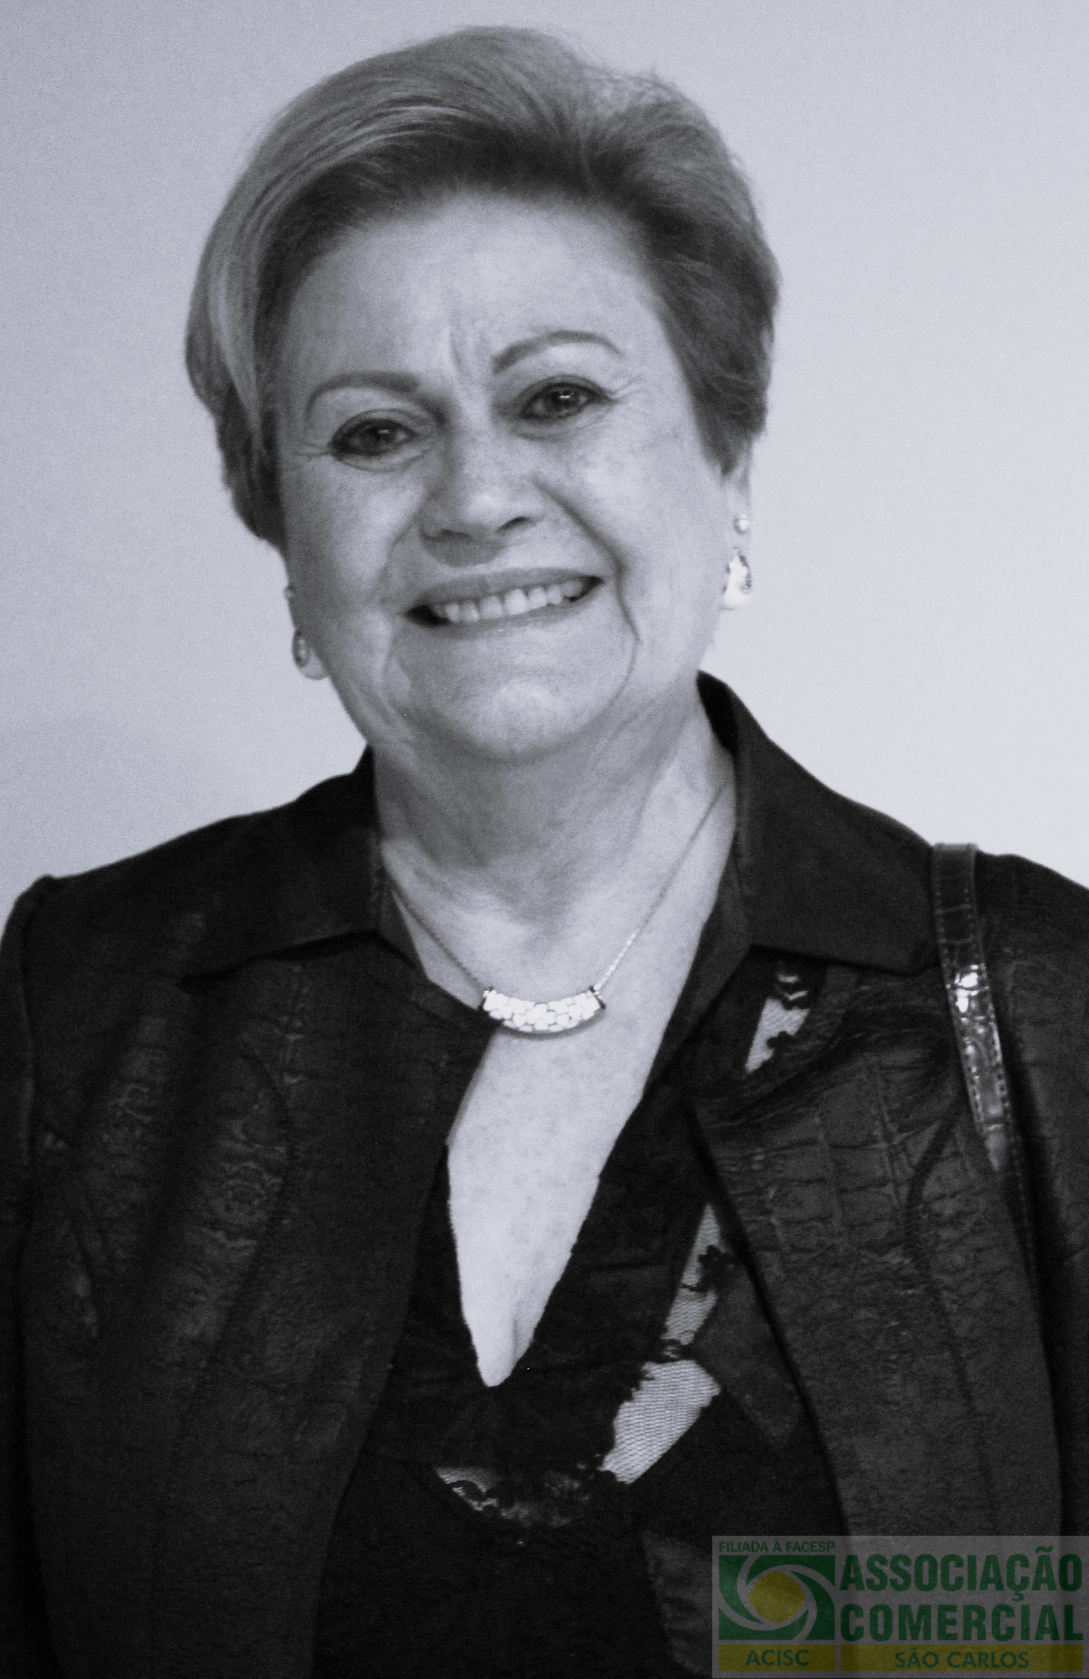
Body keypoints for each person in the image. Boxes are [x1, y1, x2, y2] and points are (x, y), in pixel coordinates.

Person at [2, 25, 1087, 1679]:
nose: (475, 496)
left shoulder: (1032, 1006)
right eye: (376, 433)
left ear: (727, 460)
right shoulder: (86, 1009)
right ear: (283, 531)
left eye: (558, 397)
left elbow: (1037, 1635)